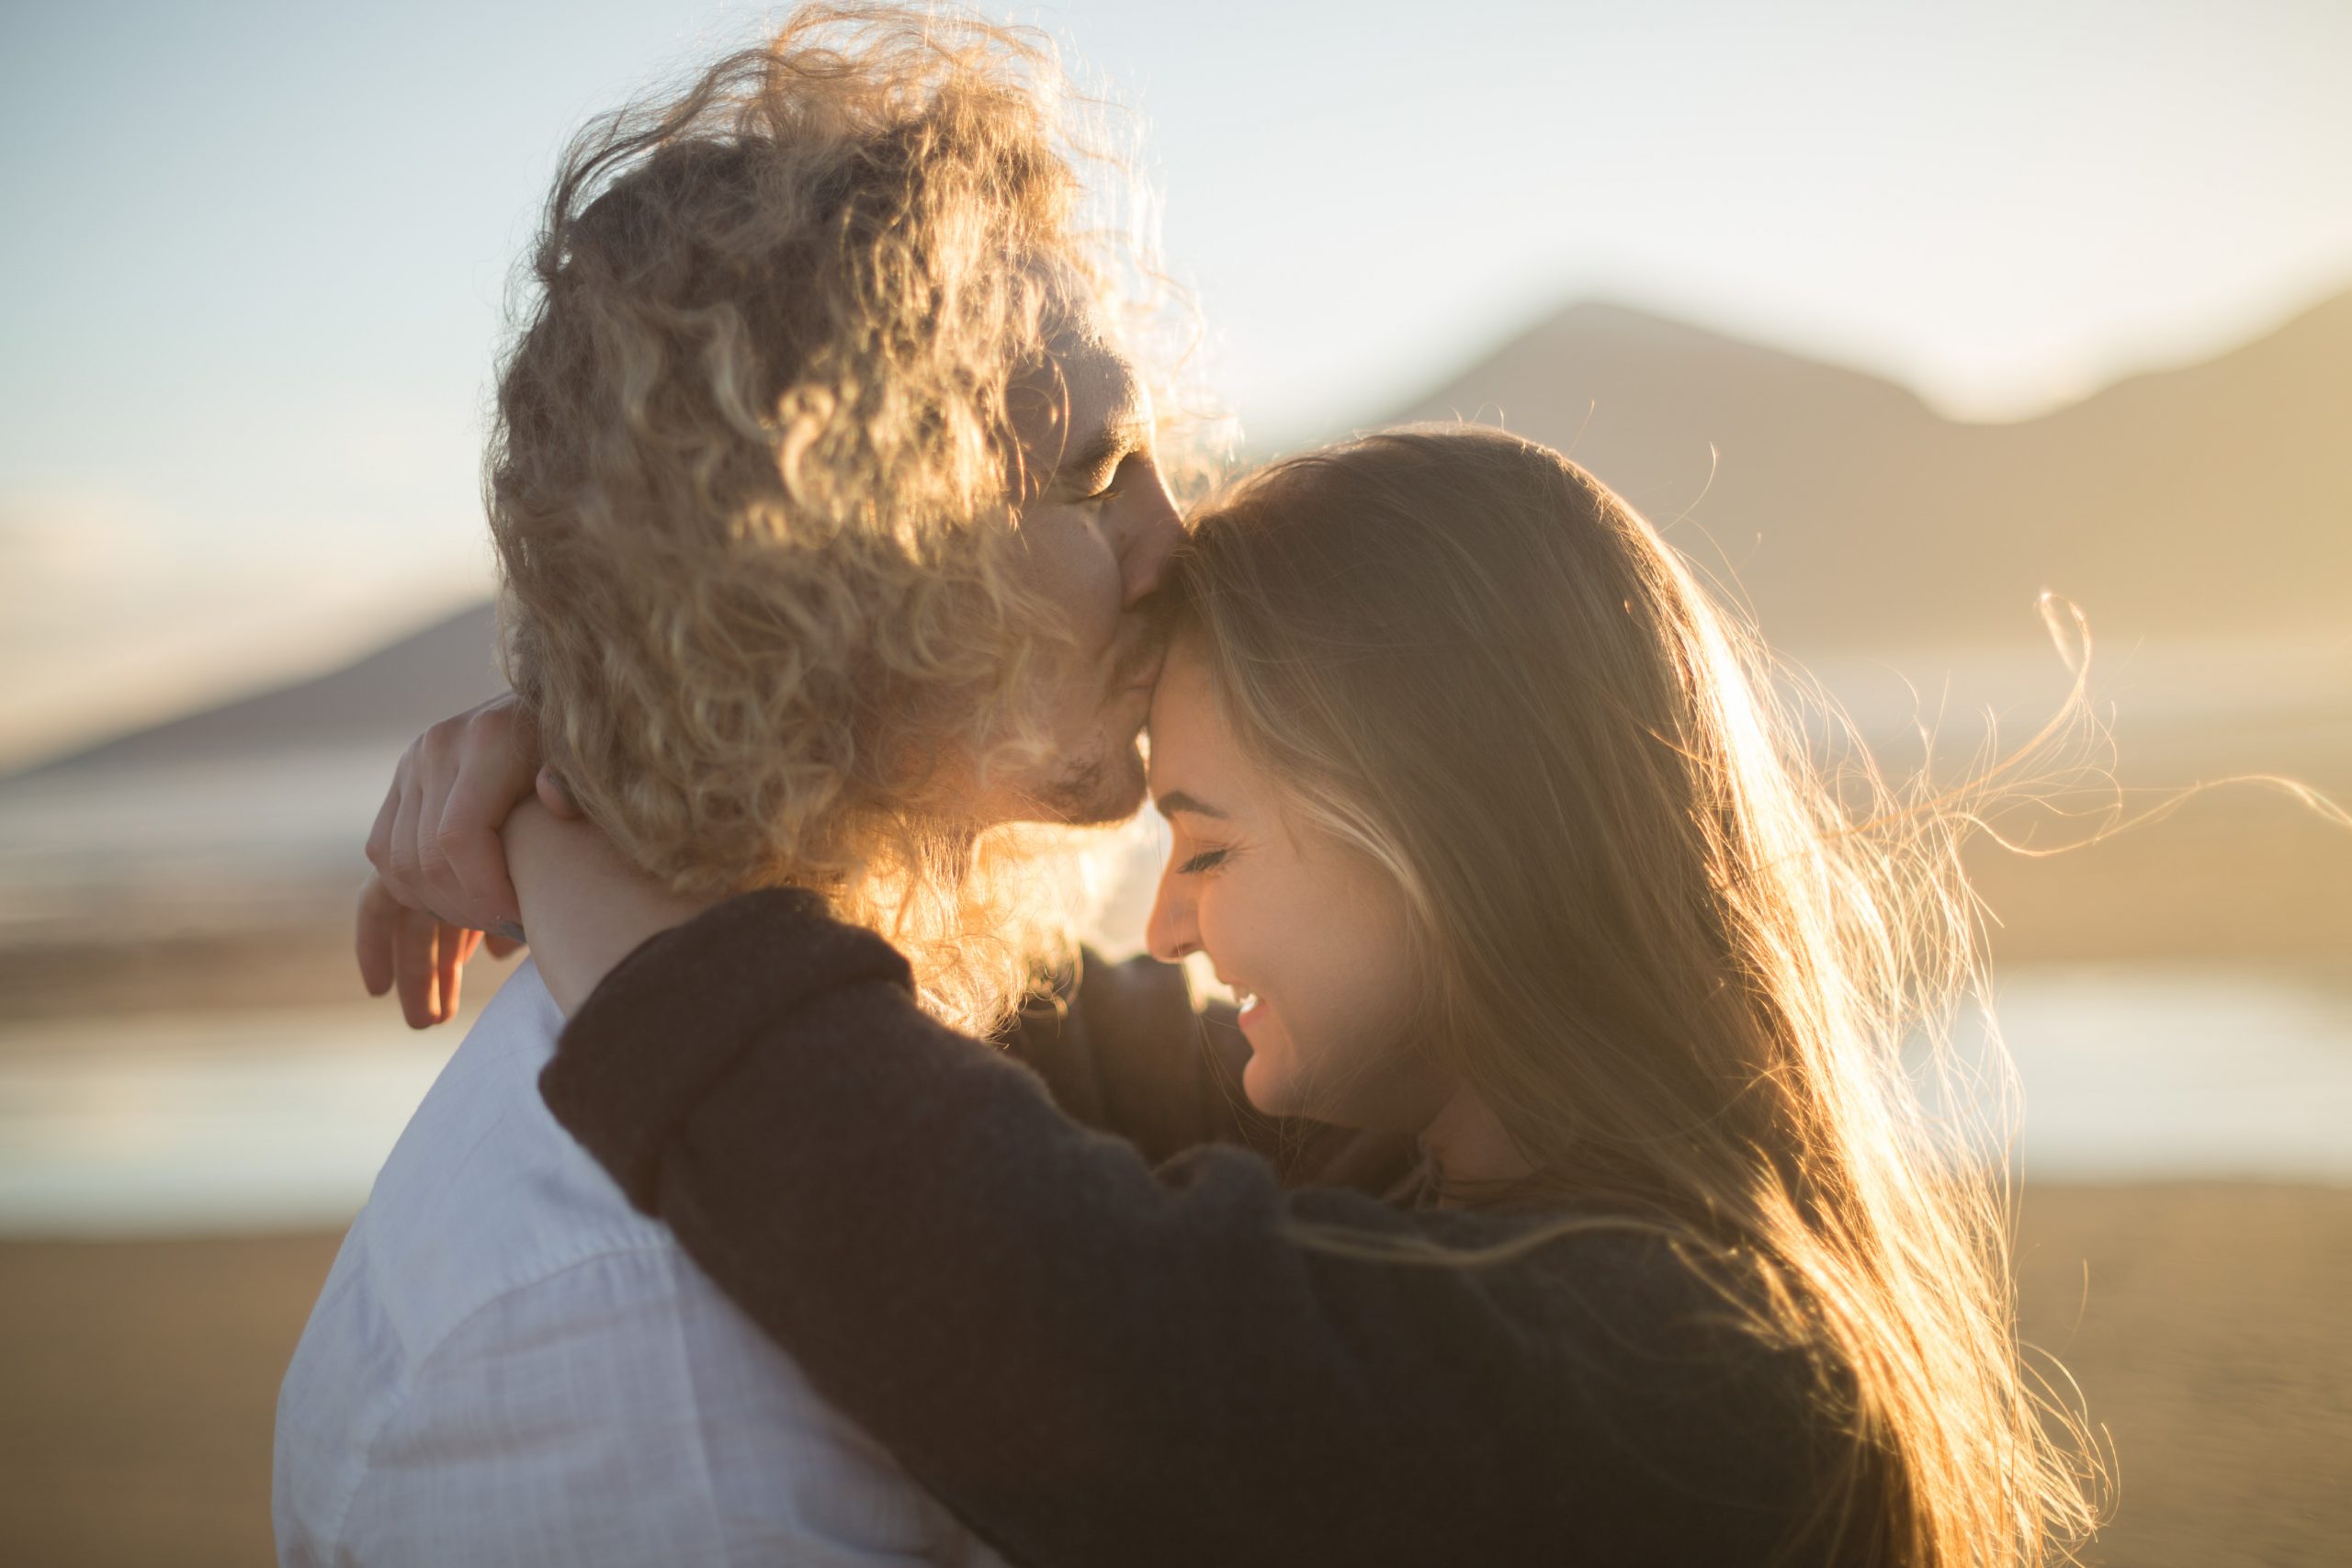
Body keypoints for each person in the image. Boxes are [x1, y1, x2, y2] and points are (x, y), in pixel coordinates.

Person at [377, 429, 2105, 1564]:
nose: (1169, 923)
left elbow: (1048, 1308)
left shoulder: (1703, 1375)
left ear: (1443, 833)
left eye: (1205, 843)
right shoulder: (1404, 1161)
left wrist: (576, 872)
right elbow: (1015, 1028)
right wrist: (630, 782)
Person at [274, 9, 1222, 1564]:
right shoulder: (628, 1350)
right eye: (1087, 474)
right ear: (836, 561)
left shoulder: (890, 1037)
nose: (1175, 538)